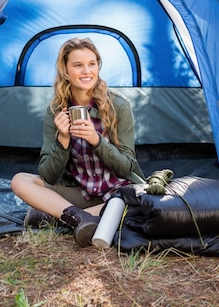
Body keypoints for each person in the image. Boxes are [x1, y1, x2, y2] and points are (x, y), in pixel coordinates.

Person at [11, 37, 146, 246]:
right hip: (81, 191)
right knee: (20, 180)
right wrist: (62, 141)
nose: (87, 71)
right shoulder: (56, 110)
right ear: (65, 70)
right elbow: (48, 174)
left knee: (137, 207)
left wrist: (96, 140)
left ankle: (58, 216)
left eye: (92, 64)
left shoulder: (119, 106)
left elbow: (127, 165)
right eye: (78, 65)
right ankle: (81, 218)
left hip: (118, 191)